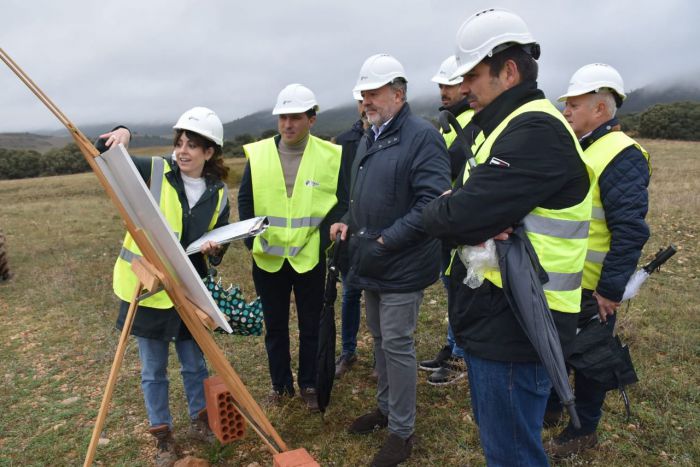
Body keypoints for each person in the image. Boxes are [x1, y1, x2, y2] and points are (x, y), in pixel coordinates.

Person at [421, 8, 593, 465]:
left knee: (513, 454)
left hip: (522, 319)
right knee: (503, 444)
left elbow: (461, 212)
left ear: (509, 70)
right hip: (499, 312)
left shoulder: (535, 130)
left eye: (472, 75)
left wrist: (459, 212)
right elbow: (462, 204)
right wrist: (461, 210)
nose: (463, 89)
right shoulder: (502, 125)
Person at [331, 53, 450, 467]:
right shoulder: (371, 136)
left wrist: (387, 239)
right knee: (380, 339)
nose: (366, 101)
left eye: (374, 93)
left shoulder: (422, 136)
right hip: (372, 259)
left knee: (398, 344)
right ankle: (386, 410)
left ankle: (402, 433)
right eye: (363, 95)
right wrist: (348, 220)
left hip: (403, 261)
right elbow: (361, 197)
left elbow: (432, 202)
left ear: (398, 94)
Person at [99, 106, 230, 467]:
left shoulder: (218, 193)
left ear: (209, 153)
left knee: (194, 363)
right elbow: (104, 152)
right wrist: (122, 130)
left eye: (193, 145)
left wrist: (215, 250)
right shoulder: (156, 170)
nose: (182, 151)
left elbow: (221, 241)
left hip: (188, 291)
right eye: (180, 142)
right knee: (153, 369)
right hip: (147, 290)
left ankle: (201, 420)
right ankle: (162, 436)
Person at [544, 63, 651, 457]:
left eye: (573, 104)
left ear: (601, 110)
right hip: (565, 281)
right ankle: (555, 407)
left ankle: (583, 429)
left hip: (592, 285)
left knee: (589, 359)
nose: (566, 111)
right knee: (559, 349)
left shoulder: (621, 154)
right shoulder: (580, 146)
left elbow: (630, 229)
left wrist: (610, 288)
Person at [238, 84, 344, 412]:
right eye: (283, 117)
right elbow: (245, 198)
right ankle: (280, 386)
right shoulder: (258, 154)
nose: (287, 124)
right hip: (268, 257)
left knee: (311, 325)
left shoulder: (330, 156)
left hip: (309, 256)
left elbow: (339, 203)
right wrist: (251, 239)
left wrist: (328, 238)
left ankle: (310, 384)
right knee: (276, 327)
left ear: (311, 119)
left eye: (295, 117)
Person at [419, 55, 475, 387]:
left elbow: (453, 170)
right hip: (446, 221)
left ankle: (461, 355)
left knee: (462, 288)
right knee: (451, 286)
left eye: (449, 85)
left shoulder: (470, 123)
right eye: (441, 85)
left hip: (460, 222)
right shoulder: (448, 120)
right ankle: (453, 346)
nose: (443, 91)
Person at [332, 90, 368, 379]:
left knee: (381, 295)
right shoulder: (343, 142)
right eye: (359, 100)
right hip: (348, 229)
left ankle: (383, 357)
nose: (364, 105)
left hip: (378, 229)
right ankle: (348, 351)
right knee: (350, 292)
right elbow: (336, 190)